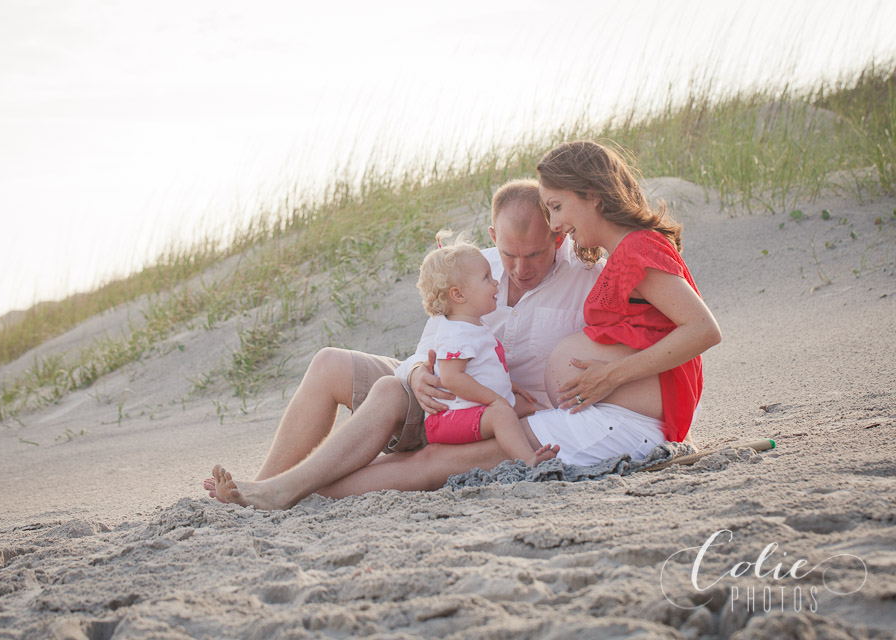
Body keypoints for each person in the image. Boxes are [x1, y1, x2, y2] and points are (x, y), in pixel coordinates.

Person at [205, 178, 600, 508]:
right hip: (438, 398)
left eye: (534, 254)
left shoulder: (586, 281)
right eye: (509, 254)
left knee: (388, 393)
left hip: (498, 421)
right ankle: (258, 487)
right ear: (494, 236)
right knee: (333, 364)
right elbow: (425, 347)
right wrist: (415, 373)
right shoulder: (471, 268)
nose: (519, 269)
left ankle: (279, 490)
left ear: (558, 234)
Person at [524, 139, 722, 463]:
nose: (554, 224)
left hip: (643, 417)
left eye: (556, 207)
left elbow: (704, 329)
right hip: (626, 415)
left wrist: (611, 375)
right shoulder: (623, 252)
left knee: (498, 442)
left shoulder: (636, 248)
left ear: (592, 195)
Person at [415, 230, 558, 466]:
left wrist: (509, 386)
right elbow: (451, 378)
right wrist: (495, 400)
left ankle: (508, 434)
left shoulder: (473, 326)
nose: (496, 283)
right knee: (502, 413)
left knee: (527, 407)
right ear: (458, 294)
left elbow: (481, 368)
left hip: (471, 410)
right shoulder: (456, 333)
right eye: (487, 278)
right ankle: (528, 458)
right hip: (448, 419)